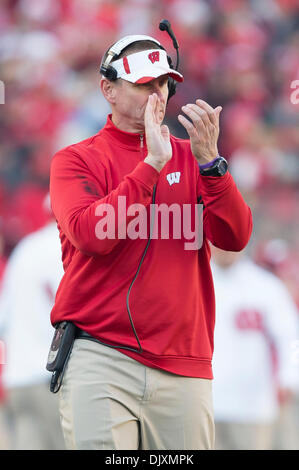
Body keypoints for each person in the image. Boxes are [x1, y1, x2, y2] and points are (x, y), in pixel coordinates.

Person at [49, 31, 253, 450]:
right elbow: (93, 235)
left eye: (162, 83)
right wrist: (152, 164)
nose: (157, 94)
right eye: (144, 84)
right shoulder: (75, 160)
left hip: (184, 361)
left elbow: (236, 237)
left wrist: (213, 165)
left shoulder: (195, 157)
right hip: (100, 353)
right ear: (108, 89)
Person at [211, 246, 299, 450]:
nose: (225, 248)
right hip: (206, 402)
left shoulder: (266, 286)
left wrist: (290, 376)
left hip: (252, 405)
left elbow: (291, 337)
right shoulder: (194, 281)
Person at [0, 218, 65, 450]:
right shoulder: (62, 247)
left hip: (18, 381)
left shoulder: (25, 248)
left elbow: (2, 319)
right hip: (50, 379)